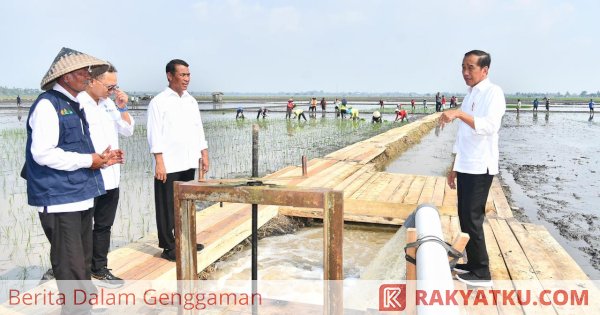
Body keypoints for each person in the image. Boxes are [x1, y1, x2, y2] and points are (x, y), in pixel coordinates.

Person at [25, 47, 119, 315]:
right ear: (66, 77)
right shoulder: (47, 105)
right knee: (70, 265)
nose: (89, 77)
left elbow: (73, 150)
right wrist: (88, 160)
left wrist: (101, 158)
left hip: (80, 194)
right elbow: (42, 154)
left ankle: (82, 308)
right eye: (83, 72)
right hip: (59, 199)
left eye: (90, 73)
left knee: (82, 260)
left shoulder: (73, 105)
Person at [438, 50, 506, 287]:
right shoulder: (470, 95)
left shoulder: (493, 93)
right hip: (466, 164)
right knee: (464, 215)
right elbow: (463, 135)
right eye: (463, 67)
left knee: (473, 217)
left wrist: (457, 113)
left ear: (484, 70)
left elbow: (489, 126)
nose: (465, 73)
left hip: (480, 165)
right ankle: (473, 263)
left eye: (471, 68)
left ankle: (482, 272)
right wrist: (454, 166)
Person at [78, 63, 134, 288]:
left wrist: (122, 108)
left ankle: (99, 268)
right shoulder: (78, 103)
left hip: (111, 174)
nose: (113, 90)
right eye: (109, 86)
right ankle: (74, 268)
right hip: (88, 173)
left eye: (115, 86)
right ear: (92, 81)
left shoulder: (110, 103)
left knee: (103, 224)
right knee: (79, 225)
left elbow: (127, 130)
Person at [147, 59, 209, 262]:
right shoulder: (159, 102)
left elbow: (198, 128)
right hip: (169, 162)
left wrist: (204, 153)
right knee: (166, 205)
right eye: (182, 75)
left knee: (186, 203)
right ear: (169, 76)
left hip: (189, 160)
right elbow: (154, 133)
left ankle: (185, 239)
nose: (186, 79)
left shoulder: (191, 101)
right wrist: (159, 161)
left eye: (188, 75)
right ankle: (168, 245)